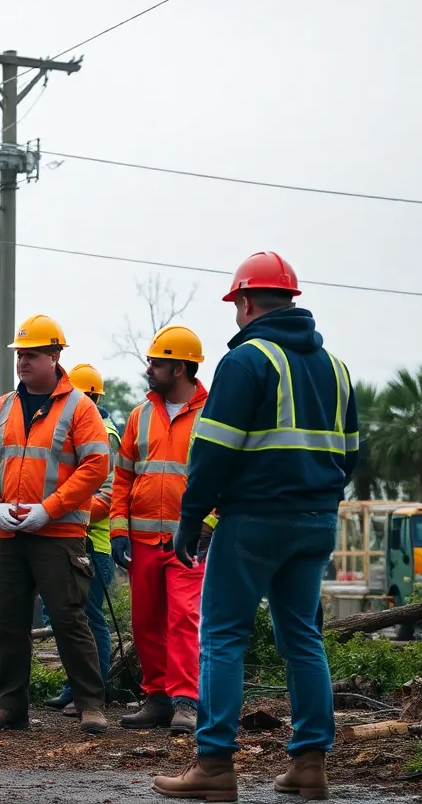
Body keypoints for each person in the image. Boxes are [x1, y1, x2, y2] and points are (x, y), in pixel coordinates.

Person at [154, 252, 359, 802]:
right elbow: (353, 454)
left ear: (244, 302)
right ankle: (310, 764)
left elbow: (213, 453)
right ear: (291, 299)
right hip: (316, 521)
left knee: (222, 637)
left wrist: (190, 521)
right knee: (303, 639)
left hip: (252, 521)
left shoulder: (247, 361)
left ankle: (216, 766)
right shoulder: (336, 368)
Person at [0, 315, 111, 736]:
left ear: (55, 356)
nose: (23, 362)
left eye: (31, 355)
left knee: (69, 618)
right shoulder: (2, 407)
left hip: (60, 532)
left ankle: (90, 705)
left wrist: (49, 508)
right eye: (20, 355)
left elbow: (96, 465)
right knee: (8, 621)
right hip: (8, 533)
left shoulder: (80, 408)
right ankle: (10, 706)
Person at [108, 328, 213, 735]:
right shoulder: (141, 414)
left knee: (184, 618)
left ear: (180, 367)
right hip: (143, 540)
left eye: (157, 362)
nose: (149, 369)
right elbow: (123, 477)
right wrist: (119, 530)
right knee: (146, 621)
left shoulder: (212, 413)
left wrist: (208, 524)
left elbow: (222, 477)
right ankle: (157, 698)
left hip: (189, 541)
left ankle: (186, 701)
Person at [43, 364, 120, 716]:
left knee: (88, 618)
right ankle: (76, 685)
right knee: (70, 615)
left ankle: (94, 689)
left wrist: (66, 512)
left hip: (92, 542)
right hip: (70, 536)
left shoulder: (103, 433)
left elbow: (108, 493)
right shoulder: (69, 425)